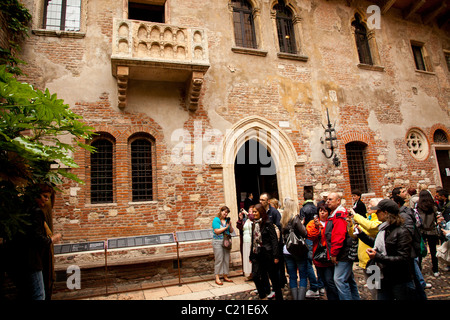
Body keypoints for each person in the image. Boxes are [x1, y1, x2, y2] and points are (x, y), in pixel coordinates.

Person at [5, 184, 61, 300]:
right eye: (44, 196)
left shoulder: (22, 210)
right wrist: (52, 239)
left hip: (19, 260)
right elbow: (37, 238)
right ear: (36, 196)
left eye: (48, 197)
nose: (46, 200)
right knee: (39, 295)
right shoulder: (36, 212)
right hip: (31, 260)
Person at [365, 199, 414, 300]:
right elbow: (377, 244)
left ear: (385, 213)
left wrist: (377, 256)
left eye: (378, 212)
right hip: (383, 275)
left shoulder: (401, 231)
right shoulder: (384, 229)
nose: (376, 214)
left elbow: (403, 258)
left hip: (398, 278)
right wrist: (361, 234)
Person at [325, 192, 360, 300]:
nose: (328, 202)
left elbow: (338, 236)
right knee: (348, 279)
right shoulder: (336, 214)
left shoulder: (339, 215)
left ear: (338, 201)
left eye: (330, 199)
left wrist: (334, 253)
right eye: (327, 200)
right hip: (343, 251)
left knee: (339, 279)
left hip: (343, 252)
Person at [348, 198, 382, 299]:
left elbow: (370, 227)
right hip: (365, 262)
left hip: (373, 261)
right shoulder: (368, 219)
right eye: (369, 205)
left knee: (377, 290)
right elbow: (355, 235)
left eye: (372, 205)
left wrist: (355, 215)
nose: (369, 207)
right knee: (372, 289)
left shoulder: (377, 222)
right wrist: (351, 225)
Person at [306, 200, 339, 300]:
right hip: (319, 256)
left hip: (329, 256)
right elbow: (310, 236)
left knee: (330, 281)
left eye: (324, 211)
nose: (322, 213)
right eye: (320, 211)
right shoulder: (313, 223)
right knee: (324, 281)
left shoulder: (332, 222)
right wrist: (317, 227)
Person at [280, 197, 313, 300]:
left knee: (292, 275)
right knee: (303, 275)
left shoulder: (283, 219)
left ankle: (295, 297)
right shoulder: (295, 218)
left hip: (287, 249)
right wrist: (302, 225)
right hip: (297, 249)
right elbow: (304, 232)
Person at [250, 203, 283, 300]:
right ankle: (262, 295)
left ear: (261, 212)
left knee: (274, 278)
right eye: (253, 212)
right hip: (257, 254)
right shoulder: (254, 224)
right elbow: (253, 240)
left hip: (268, 254)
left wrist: (276, 256)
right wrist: (251, 255)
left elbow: (274, 240)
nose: (254, 214)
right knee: (255, 276)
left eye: (255, 212)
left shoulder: (268, 223)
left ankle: (279, 298)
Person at [299, 191, 320, 298]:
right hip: (318, 237)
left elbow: (302, 225)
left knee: (308, 263)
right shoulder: (317, 208)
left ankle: (314, 287)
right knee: (319, 261)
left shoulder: (303, 209)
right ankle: (320, 285)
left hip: (308, 237)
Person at [417, 190, 440, 277]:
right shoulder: (433, 206)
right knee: (433, 250)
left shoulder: (418, 207)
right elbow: (437, 216)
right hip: (431, 230)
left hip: (422, 230)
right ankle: (435, 269)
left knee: (420, 250)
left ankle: (419, 269)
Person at [212, 206, 234, 285]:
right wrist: (225, 227)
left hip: (226, 241)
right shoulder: (216, 220)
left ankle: (225, 275)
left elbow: (231, 231)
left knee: (226, 258)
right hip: (218, 241)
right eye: (224, 212)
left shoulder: (227, 220)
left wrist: (230, 225)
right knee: (219, 259)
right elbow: (217, 231)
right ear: (221, 211)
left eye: (227, 213)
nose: (225, 214)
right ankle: (217, 277)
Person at [242, 206, 254, 280]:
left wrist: (246, 213)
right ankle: (249, 273)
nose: (250, 212)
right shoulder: (246, 220)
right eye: (249, 211)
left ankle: (254, 273)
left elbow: (252, 218)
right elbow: (240, 227)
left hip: (251, 240)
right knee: (247, 257)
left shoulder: (254, 219)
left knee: (251, 257)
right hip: (245, 240)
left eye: (251, 211)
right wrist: (240, 219)